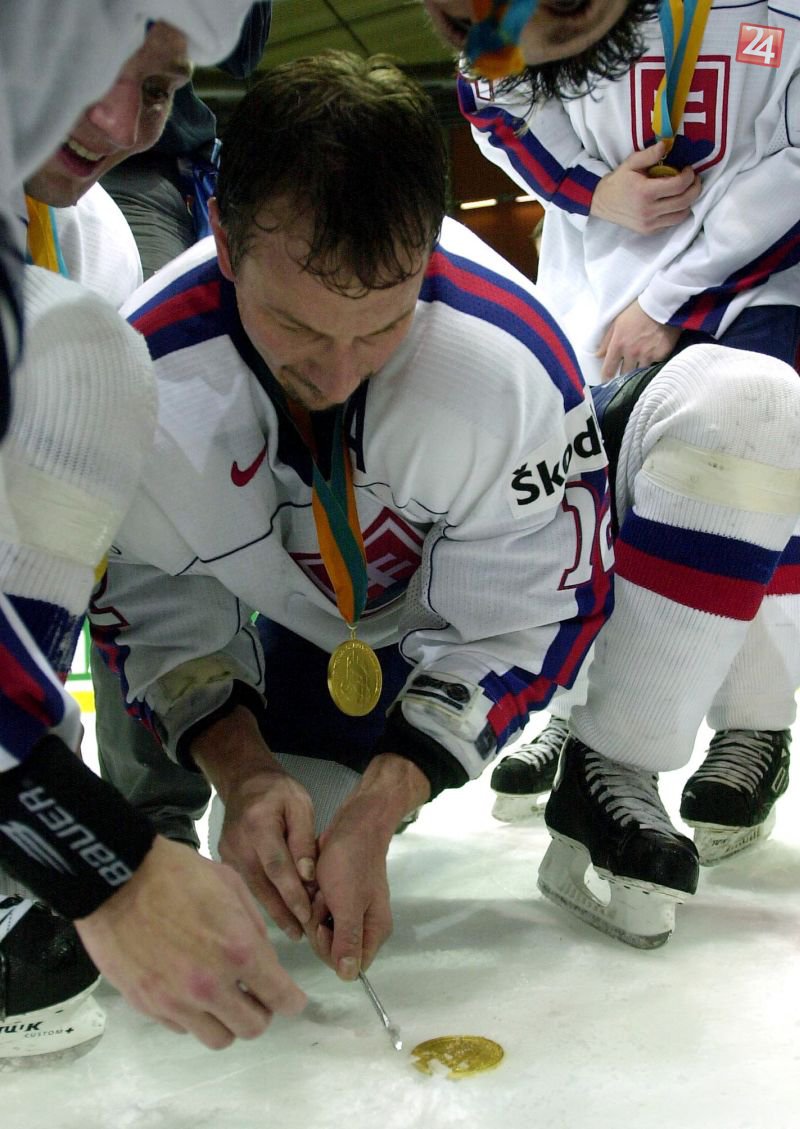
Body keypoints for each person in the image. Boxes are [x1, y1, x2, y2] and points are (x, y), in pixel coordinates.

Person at [89, 49, 614, 983]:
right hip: (312, 634)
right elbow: (151, 599)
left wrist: (385, 798)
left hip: (444, 615)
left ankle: (621, 771)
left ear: (431, 246)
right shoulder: (138, 385)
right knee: (274, 872)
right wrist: (245, 771)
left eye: (381, 325)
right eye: (296, 325)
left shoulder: (509, 368)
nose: (337, 375)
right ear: (223, 238)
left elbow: (535, 607)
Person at [0, 20, 307, 1063]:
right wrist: (103, 864)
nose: (115, 121)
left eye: (162, 88)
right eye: (84, 60)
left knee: (91, 358)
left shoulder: (90, 235)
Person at [456, 1, 800, 856]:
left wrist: (673, 296)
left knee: (752, 482)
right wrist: (586, 186)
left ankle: (755, 723)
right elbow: (487, 78)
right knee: (590, 505)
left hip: (758, 287)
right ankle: (573, 705)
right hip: (596, 298)